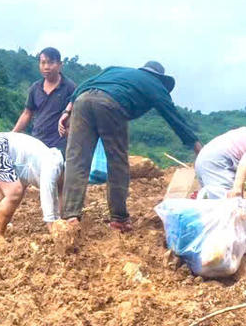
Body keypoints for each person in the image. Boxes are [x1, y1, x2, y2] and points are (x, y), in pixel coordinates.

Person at [55, 61, 203, 236]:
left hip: (82, 102)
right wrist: (197, 146)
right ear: (160, 78)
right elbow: (173, 117)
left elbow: (84, 86)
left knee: (76, 159)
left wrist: (66, 112)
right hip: (110, 104)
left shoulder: (114, 70)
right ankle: (119, 219)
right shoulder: (154, 84)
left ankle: (70, 216)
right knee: (117, 162)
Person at [0, 131, 64, 246]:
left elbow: (61, 197)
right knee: (14, 192)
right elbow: (47, 200)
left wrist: (61, 220)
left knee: (1, 197)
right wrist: (53, 228)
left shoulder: (58, 171)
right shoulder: (53, 167)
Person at [12, 47, 77, 151]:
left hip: (59, 147)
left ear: (60, 65)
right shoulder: (35, 87)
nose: (46, 67)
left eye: (51, 63)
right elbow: (27, 114)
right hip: (37, 143)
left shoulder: (70, 88)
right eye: (43, 63)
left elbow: (76, 116)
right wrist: (12, 135)